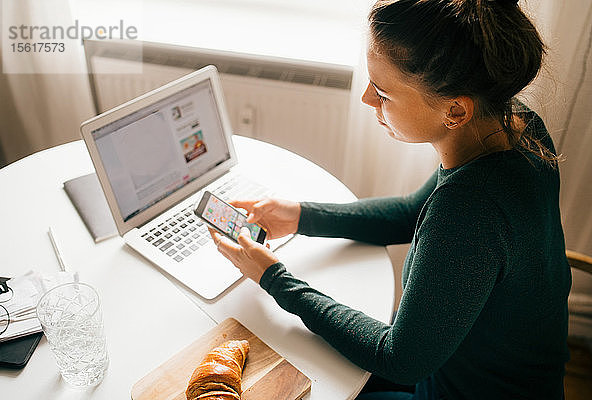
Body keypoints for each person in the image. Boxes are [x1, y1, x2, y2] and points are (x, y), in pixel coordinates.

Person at [208, 0, 571, 398]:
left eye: (382, 93)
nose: (366, 99)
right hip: (473, 362)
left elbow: (400, 359)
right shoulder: (513, 126)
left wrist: (274, 279)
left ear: (455, 110)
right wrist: (301, 215)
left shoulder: (470, 210)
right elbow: (412, 213)